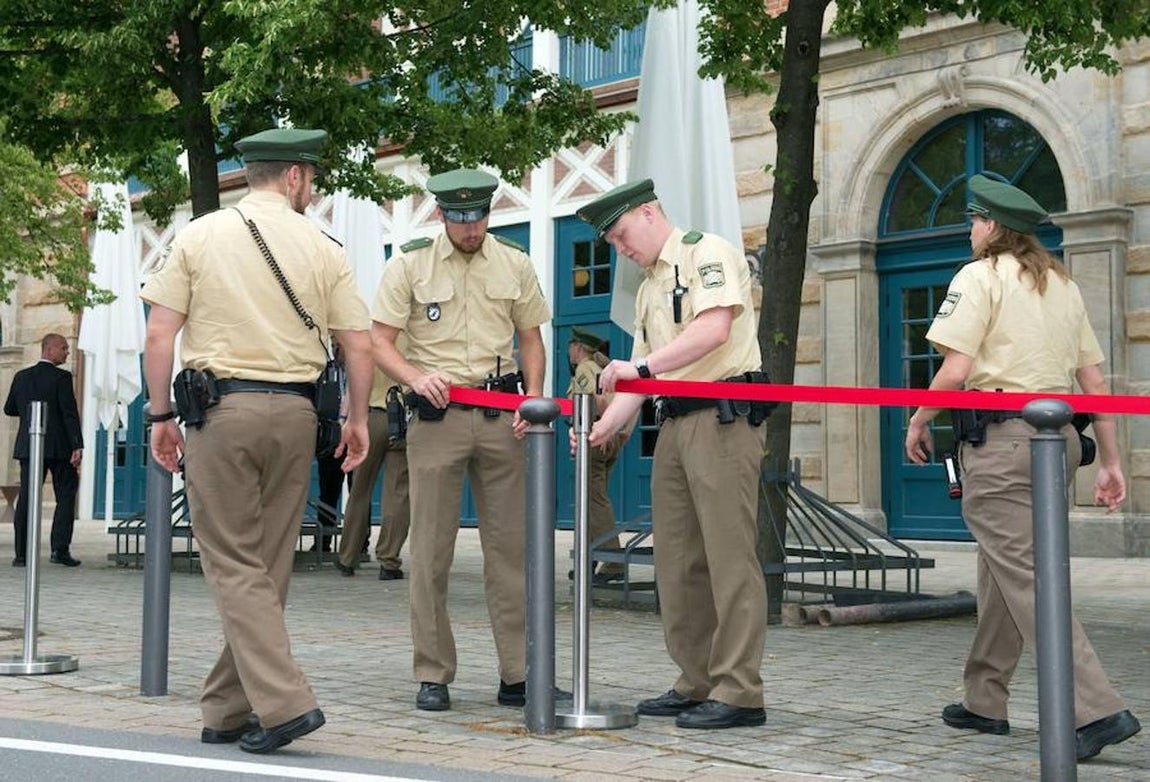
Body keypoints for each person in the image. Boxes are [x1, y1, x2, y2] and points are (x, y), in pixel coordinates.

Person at [140, 127, 372, 754]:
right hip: (298, 415)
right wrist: (358, 419)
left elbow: (160, 335)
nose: (313, 187)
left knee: (233, 563)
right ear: (295, 176)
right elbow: (357, 342)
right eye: (312, 177)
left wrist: (159, 417)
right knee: (266, 567)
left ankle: (287, 704)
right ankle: (225, 709)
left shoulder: (199, 234)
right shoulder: (325, 245)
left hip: (223, 414)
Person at [905, 174, 1141, 761]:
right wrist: (1109, 461)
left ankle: (1096, 709)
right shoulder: (1061, 284)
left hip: (1003, 442)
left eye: (973, 221)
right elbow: (1093, 383)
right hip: (1055, 438)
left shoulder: (979, 277)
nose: (969, 231)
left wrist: (917, 418)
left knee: (1027, 576)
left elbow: (956, 370)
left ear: (990, 227)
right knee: (1004, 568)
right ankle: (985, 699)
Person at [576, 179, 769, 730]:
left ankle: (739, 690)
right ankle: (697, 679)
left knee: (729, 558)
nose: (619, 247)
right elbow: (637, 383)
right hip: (675, 423)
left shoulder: (707, 252)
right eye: (611, 242)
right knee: (678, 561)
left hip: (722, 418)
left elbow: (713, 329)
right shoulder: (647, 289)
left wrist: (639, 371)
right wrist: (602, 429)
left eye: (620, 234)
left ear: (649, 211)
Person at [372, 168, 550, 712]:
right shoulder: (408, 264)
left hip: (501, 416)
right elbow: (379, 341)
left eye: (479, 219)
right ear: (443, 215)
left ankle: (518, 674)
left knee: (512, 551)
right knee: (429, 551)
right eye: (461, 219)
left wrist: (534, 399)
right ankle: (433, 673)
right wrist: (411, 377)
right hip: (437, 417)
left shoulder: (514, 263)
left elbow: (531, 339)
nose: (471, 230)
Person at [4, 333, 83, 567]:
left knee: (27, 498)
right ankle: (59, 550)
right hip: (60, 448)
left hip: (29, 445)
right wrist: (77, 444)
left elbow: (9, 409)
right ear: (48, 349)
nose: (67, 352)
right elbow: (69, 413)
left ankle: (21, 554)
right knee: (66, 496)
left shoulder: (21, 377)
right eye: (64, 348)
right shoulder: (62, 378)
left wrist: (29, 413)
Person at [334, 363, 411, 580]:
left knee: (359, 491)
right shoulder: (416, 334)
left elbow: (355, 383)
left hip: (370, 418)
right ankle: (389, 561)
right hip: (402, 419)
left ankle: (347, 557)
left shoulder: (369, 338)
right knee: (398, 494)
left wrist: (343, 418)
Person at [565, 327, 626, 584]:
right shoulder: (600, 368)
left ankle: (613, 562)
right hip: (606, 435)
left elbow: (590, 401)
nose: (568, 350)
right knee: (588, 499)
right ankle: (587, 558)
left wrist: (587, 428)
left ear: (578, 347)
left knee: (593, 498)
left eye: (570, 345)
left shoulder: (585, 369)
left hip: (592, 436)